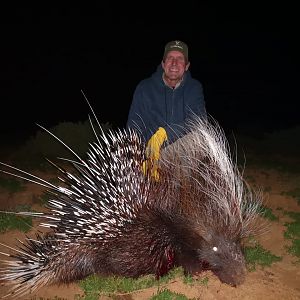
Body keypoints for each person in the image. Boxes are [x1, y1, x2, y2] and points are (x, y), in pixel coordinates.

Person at [126, 40, 207, 145]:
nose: (174, 63)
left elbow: (198, 121)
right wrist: (142, 150)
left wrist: (166, 134)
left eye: (180, 59)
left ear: (187, 66)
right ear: (163, 64)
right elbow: (134, 125)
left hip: (184, 151)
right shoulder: (144, 87)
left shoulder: (194, 88)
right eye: (170, 58)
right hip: (150, 152)